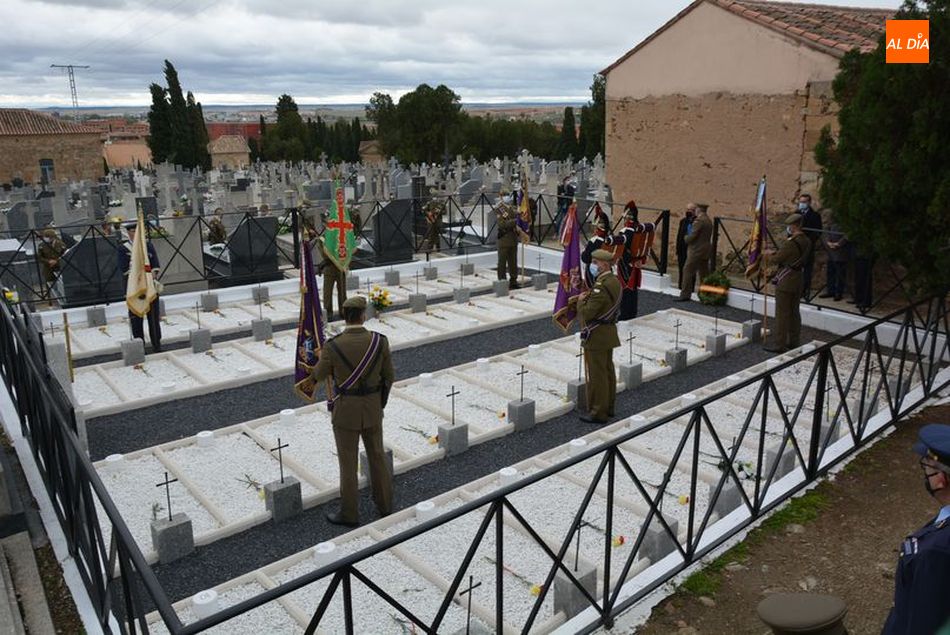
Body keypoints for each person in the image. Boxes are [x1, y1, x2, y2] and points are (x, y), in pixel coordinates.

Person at [310, 295, 394, 527]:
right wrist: (379, 403)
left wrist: (318, 359)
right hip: (372, 408)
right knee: (377, 456)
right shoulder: (380, 341)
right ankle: (385, 505)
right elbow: (390, 377)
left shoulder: (332, 346)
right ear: (363, 315)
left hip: (345, 411)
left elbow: (317, 376)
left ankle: (349, 514)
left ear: (344, 316)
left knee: (348, 464)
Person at [882, 424, 950, 634]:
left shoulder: (937, 551)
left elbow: (922, 622)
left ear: (941, 480)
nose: (925, 475)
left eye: (927, 468)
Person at [573, 249, 621, 424]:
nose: (592, 265)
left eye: (595, 262)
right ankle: (609, 407)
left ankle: (598, 412)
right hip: (607, 334)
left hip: (597, 335)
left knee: (598, 375)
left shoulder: (601, 286)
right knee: (607, 371)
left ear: (604, 264)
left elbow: (588, 313)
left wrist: (580, 302)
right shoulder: (613, 281)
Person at [763, 213, 811, 353]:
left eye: (789, 226)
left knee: (782, 314)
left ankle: (780, 344)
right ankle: (794, 341)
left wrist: (768, 254)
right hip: (798, 279)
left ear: (794, 226)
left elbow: (776, 259)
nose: (788, 228)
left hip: (786, 280)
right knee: (794, 312)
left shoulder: (791, 243)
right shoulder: (807, 241)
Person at [607, 201, 656, 320]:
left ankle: (625, 314)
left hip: (626, 263)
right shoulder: (640, 228)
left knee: (625, 289)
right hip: (636, 263)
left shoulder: (626, 231)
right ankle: (632, 312)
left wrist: (627, 259)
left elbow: (623, 247)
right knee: (633, 289)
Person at [119, 221, 162, 352]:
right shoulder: (123, 248)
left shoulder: (148, 245)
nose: (135, 234)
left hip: (149, 286)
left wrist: (153, 274)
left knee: (153, 316)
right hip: (134, 288)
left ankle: (156, 342)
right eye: (132, 231)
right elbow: (123, 268)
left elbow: (155, 262)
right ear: (128, 233)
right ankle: (139, 344)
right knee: (136, 317)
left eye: (137, 231)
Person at [677, 203, 712, 301]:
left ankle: (685, 294)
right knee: (704, 273)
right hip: (705, 250)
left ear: (699, 210)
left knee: (687, 271)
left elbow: (692, 236)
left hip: (696, 250)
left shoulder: (699, 221)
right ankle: (706, 294)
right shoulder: (708, 220)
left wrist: (685, 238)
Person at [797, 194, 823, 299]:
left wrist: (809, 241)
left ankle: (804, 290)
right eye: (801, 202)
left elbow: (818, 231)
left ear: (809, 202)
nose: (802, 204)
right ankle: (796, 288)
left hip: (808, 245)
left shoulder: (815, 215)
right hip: (796, 245)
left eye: (804, 202)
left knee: (807, 269)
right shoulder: (796, 213)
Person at [580, 207, 612, 288]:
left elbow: (586, 258)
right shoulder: (609, 239)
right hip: (607, 271)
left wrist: (584, 252)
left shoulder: (594, 241)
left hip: (594, 272)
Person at [318, 236, 347, 323]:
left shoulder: (342, 234)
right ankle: (328, 313)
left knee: (342, 291)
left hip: (341, 267)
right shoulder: (323, 238)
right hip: (329, 267)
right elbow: (324, 253)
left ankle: (343, 311)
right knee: (327, 292)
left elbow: (348, 249)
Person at [495, 193, 520, 289]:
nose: (507, 197)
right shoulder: (499, 209)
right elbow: (502, 224)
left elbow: (516, 218)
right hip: (504, 239)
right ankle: (502, 281)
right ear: (501, 197)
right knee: (502, 262)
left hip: (513, 239)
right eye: (505, 195)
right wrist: (515, 221)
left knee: (513, 262)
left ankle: (513, 280)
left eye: (507, 195)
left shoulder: (511, 208)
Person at [819, 222, 849, 301]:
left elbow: (848, 234)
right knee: (830, 272)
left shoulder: (845, 220)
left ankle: (839, 292)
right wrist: (828, 242)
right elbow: (826, 231)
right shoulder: (832, 219)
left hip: (841, 251)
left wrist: (839, 243)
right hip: (831, 251)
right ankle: (830, 290)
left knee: (840, 273)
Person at [675, 203, 696, 289]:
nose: (688, 211)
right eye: (687, 209)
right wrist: (677, 248)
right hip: (682, 249)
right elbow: (679, 235)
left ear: (694, 211)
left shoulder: (696, 222)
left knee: (690, 270)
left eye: (690, 210)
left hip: (691, 250)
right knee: (681, 268)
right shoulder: (683, 221)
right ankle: (681, 287)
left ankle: (690, 288)